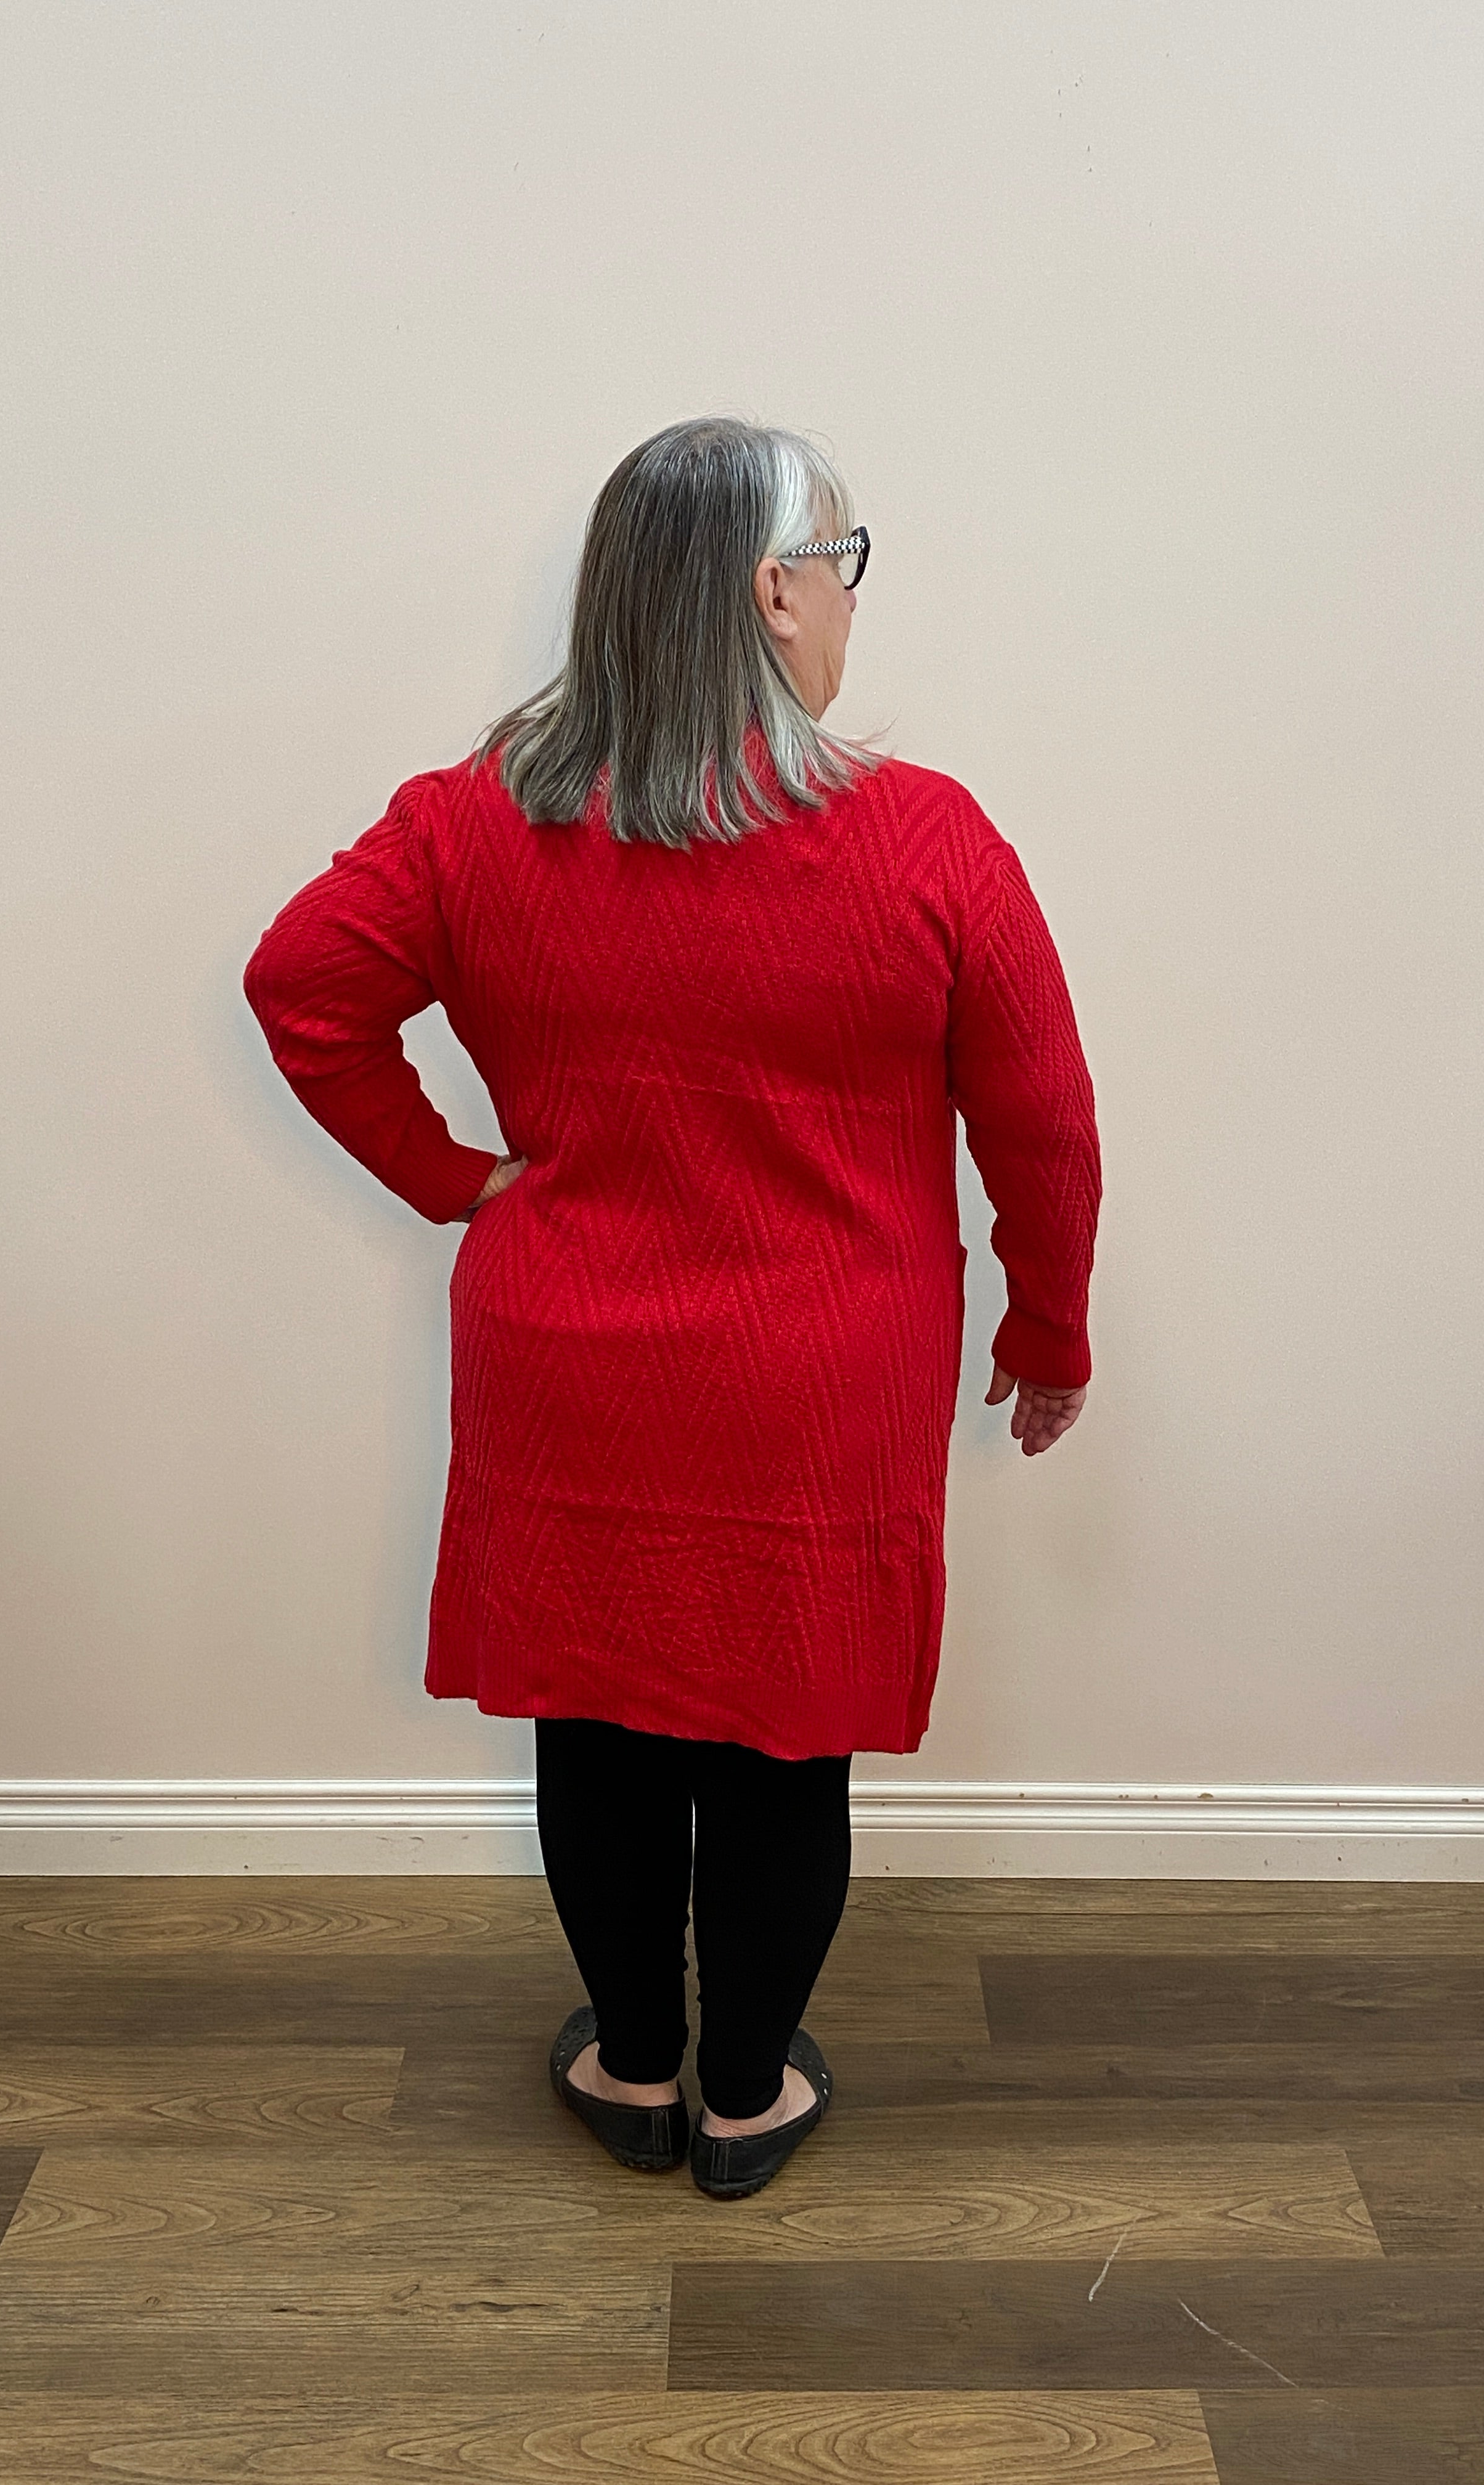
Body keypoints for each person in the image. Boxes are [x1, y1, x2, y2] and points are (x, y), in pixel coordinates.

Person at [243, 416, 1101, 2200]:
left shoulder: (471, 823)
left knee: (599, 1728)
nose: (852, 601)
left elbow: (301, 988)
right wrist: (1047, 1334)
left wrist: (454, 1178)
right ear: (777, 595)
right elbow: (1044, 1125)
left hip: (572, 1365)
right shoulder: (928, 841)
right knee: (785, 1748)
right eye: (844, 564)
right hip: (820, 1380)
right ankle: (744, 2098)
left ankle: (633, 2065)